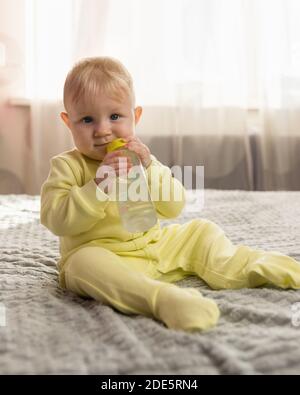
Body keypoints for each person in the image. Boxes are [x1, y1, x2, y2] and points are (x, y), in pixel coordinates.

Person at [40, 56, 300, 332]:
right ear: (69, 123)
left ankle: (250, 266)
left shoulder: (139, 160)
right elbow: (56, 219)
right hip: (107, 257)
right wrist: (100, 184)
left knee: (200, 230)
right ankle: (163, 299)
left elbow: (173, 207)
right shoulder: (67, 165)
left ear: (135, 116)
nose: (103, 130)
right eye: (87, 119)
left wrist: (150, 166)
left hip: (155, 246)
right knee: (81, 265)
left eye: (115, 116)